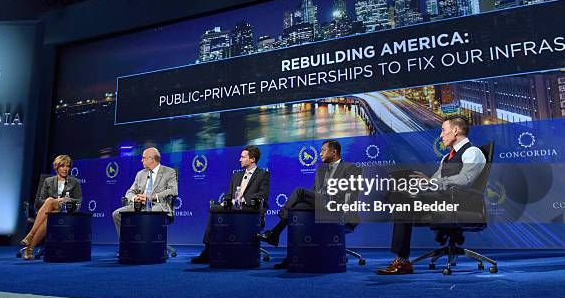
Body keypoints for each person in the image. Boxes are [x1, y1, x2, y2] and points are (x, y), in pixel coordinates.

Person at [376, 115, 486, 275]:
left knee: (403, 200)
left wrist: (432, 183)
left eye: (443, 130)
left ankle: (402, 261)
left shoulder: (473, 152)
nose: (441, 135)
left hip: (461, 201)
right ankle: (402, 258)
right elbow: (434, 182)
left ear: (455, 131)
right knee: (399, 195)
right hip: (443, 199)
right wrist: (420, 182)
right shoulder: (446, 158)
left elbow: (465, 179)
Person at [257, 139, 360, 268]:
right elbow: (313, 193)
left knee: (300, 192)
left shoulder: (350, 168)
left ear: (334, 152)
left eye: (323, 150)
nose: (320, 153)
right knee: (298, 208)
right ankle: (292, 257)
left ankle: (275, 233)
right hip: (321, 206)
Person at [191, 145, 270, 264]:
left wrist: (242, 200)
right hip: (232, 208)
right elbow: (229, 194)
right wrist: (227, 201)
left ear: (252, 159)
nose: (239, 159)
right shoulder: (236, 175)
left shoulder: (263, 174)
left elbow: (263, 194)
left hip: (250, 210)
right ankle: (208, 250)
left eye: (243, 157)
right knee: (214, 209)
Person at [20, 155, 82, 260]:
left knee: (50, 202)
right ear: (57, 167)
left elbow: (79, 200)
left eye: (67, 166)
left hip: (64, 210)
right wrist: (54, 200)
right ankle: (29, 250)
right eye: (62, 166)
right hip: (49, 211)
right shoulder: (48, 181)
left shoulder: (74, 182)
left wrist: (66, 200)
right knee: (49, 205)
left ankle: (30, 237)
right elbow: (40, 201)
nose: (65, 169)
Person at [112, 147, 178, 240]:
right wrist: (135, 198)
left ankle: (150, 245)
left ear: (151, 159)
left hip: (158, 205)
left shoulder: (169, 172)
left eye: (144, 158)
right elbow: (130, 191)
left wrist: (150, 198)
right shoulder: (140, 174)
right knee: (117, 214)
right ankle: (127, 244)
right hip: (140, 205)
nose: (141, 160)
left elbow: (173, 190)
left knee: (151, 212)